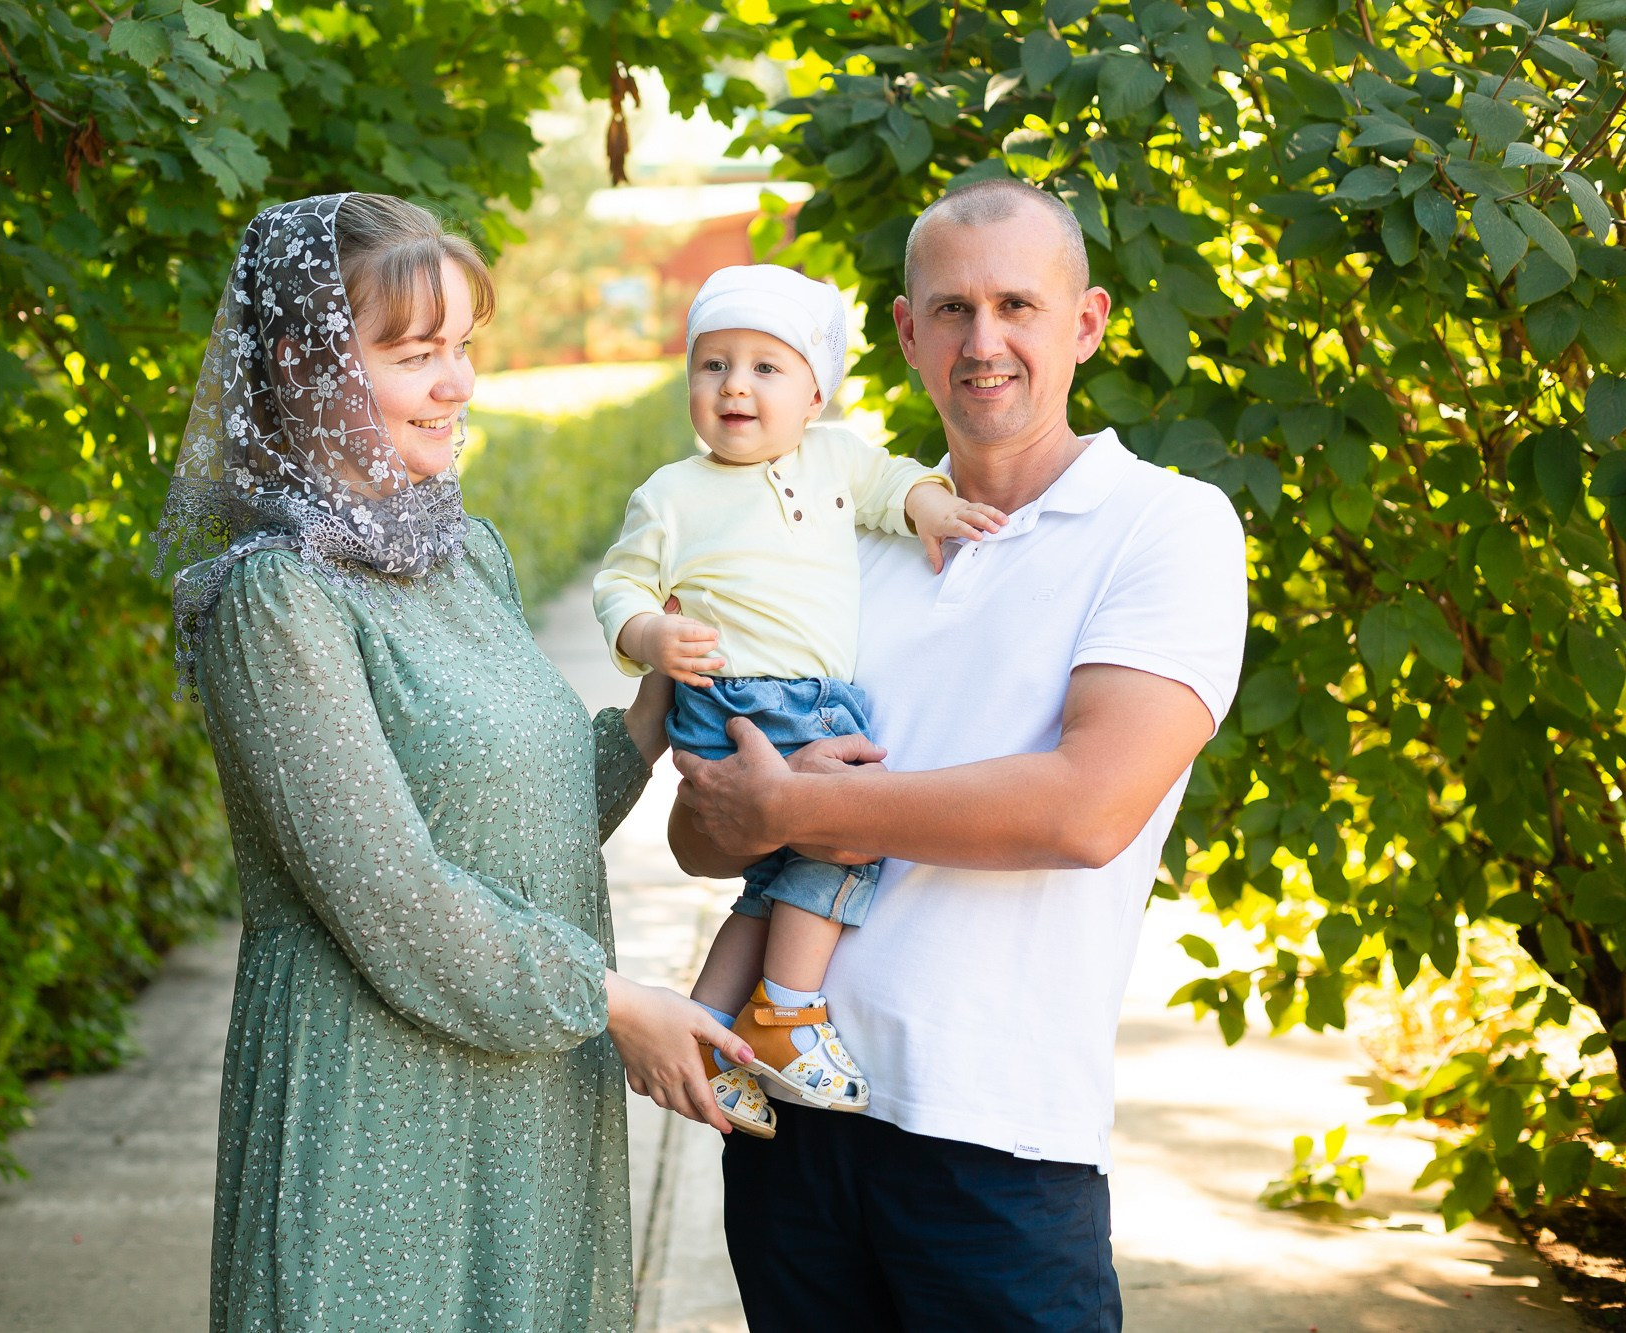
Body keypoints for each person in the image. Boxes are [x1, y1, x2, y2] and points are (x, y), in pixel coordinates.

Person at [154, 193, 753, 1333]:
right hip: (371, 1101)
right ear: (303, 368)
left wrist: (660, 699)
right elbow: (391, 892)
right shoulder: (276, 598)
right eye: (415, 354)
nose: (459, 383)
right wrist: (615, 1003)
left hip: (529, 1092)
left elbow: (518, 812)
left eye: (463, 345)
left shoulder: (465, 551)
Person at [668, 180, 1249, 1330]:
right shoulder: (830, 537)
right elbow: (703, 828)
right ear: (904, 332)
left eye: (1016, 305)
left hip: (995, 1140)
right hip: (787, 1129)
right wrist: (750, 800)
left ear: (1084, 322)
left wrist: (794, 808)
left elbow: (1084, 809)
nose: (983, 342)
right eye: (950, 310)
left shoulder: (1166, 527)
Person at [592, 264, 1005, 1139]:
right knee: (847, 837)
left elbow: (896, 483)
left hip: (798, 700)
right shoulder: (672, 492)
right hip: (747, 696)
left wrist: (932, 509)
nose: (734, 386)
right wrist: (649, 635)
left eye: (765, 367)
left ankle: (709, 1032)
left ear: (816, 394)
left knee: (773, 879)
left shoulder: (836, 457)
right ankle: (788, 1009)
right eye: (712, 365)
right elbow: (620, 585)